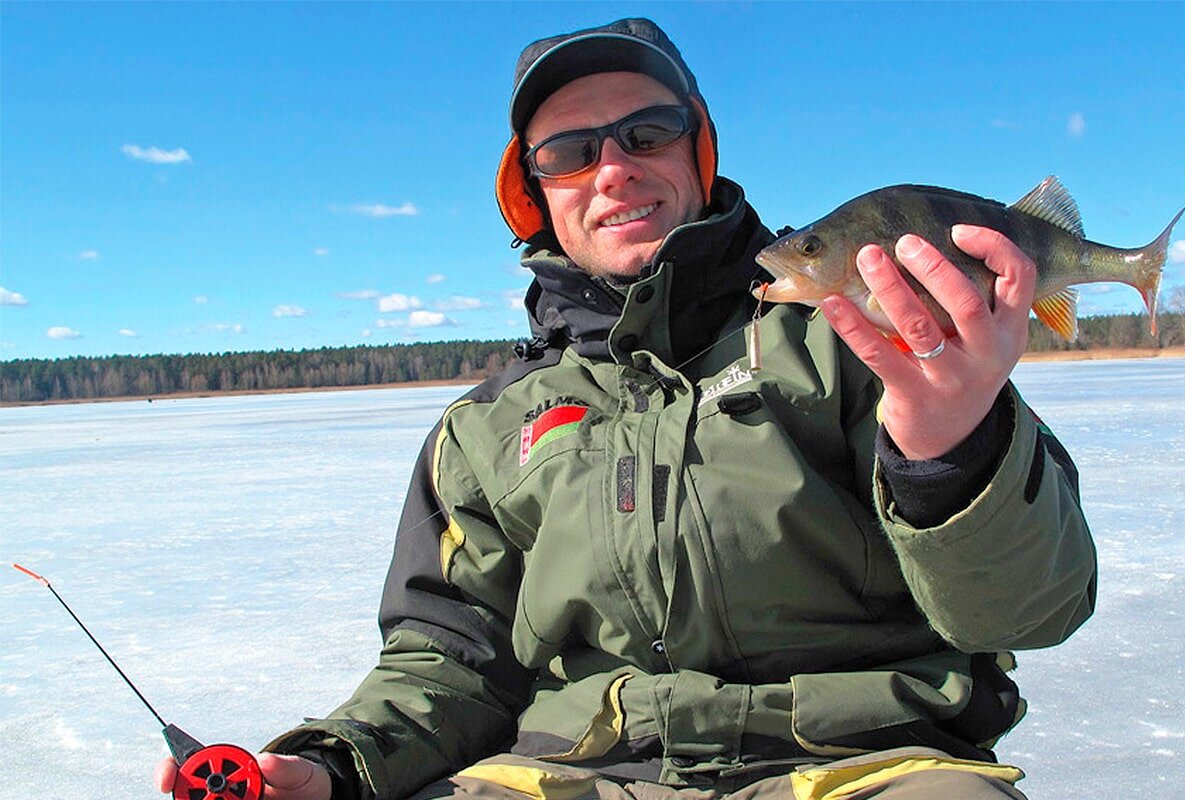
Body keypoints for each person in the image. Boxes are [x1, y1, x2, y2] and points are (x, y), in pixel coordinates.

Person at [157, 17, 1096, 800]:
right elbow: (450, 660)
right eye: (569, 152)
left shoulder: (859, 341)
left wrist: (953, 452)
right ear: (534, 192)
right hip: (573, 773)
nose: (613, 168)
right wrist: (333, 765)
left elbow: (1031, 610)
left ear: (698, 150)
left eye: (646, 133)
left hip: (864, 764)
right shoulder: (485, 432)